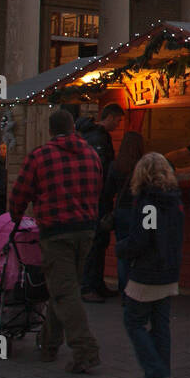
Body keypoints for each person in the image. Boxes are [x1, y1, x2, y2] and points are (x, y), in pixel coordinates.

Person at [10, 108, 103, 373]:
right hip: (85, 229)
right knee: (64, 288)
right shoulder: (91, 154)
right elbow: (99, 188)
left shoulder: (40, 156)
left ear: (50, 130)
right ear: (73, 128)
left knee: (64, 291)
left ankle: (85, 350)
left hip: (56, 231)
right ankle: (48, 343)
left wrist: (15, 217)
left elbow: (20, 193)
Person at [116, 152, 185, 378]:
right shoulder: (174, 201)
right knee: (161, 324)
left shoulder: (148, 204)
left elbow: (143, 238)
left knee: (133, 321)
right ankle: (160, 375)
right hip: (169, 269)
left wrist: (122, 248)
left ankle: (155, 372)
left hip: (148, 270)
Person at [77, 103, 125, 302]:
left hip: (94, 198)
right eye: (119, 120)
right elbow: (99, 170)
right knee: (95, 242)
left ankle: (96, 283)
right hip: (96, 199)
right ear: (112, 117)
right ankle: (88, 286)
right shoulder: (98, 139)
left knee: (99, 242)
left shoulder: (95, 136)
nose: (118, 124)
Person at [107, 131, 145, 291]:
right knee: (141, 250)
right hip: (140, 212)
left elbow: (108, 191)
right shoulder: (142, 167)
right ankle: (137, 289)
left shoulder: (116, 165)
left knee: (123, 252)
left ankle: (124, 290)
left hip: (121, 211)